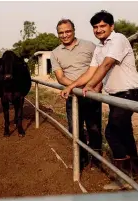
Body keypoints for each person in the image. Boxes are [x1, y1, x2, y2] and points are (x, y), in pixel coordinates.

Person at [66, 10, 138, 190]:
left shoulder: (118, 39)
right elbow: (91, 71)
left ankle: (123, 178)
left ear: (111, 26)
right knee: (125, 132)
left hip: (128, 93)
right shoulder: (99, 47)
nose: (99, 30)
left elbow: (107, 64)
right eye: (95, 27)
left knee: (111, 133)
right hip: (115, 95)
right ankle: (134, 171)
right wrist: (72, 86)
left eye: (102, 26)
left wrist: (91, 86)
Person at [51, 19, 103, 171]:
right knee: (75, 129)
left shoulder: (89, 45)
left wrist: (96, 87)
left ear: (74, 30)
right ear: (58, 34)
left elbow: (100, 69)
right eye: (61, 32)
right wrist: (77, 87)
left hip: (92, 95)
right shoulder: (55, 53)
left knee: (94, 128)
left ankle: (97, 160)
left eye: (68, 31)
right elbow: (60, 77)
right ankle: (81, 158)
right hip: (73, 96)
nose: (65, 35)